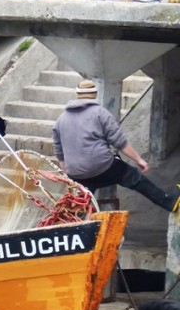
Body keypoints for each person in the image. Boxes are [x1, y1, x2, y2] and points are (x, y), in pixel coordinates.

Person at [52, 79, 179, 212]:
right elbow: (119, 141)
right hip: (103, 167)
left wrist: (69, 174)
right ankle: (169, 203)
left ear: (78, 95)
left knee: (81, 203)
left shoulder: (61, 119)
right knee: (135, 178)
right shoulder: (100, 113)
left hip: (76, 173)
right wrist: (139, 160)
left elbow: (59, 152)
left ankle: (76, 221)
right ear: (94, 94)